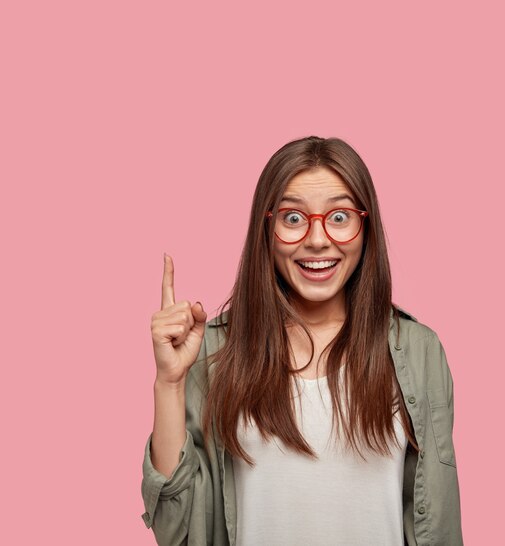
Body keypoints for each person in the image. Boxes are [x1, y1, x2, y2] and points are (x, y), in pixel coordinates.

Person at [141, 136, 464, 546]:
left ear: (366, 228)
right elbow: (176, 528)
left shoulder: (420, 351)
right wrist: (168, 383)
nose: (316, 239)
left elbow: (439, 521)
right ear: (268, 227)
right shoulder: (214, 350)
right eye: (293, 218)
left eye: (340, 217)